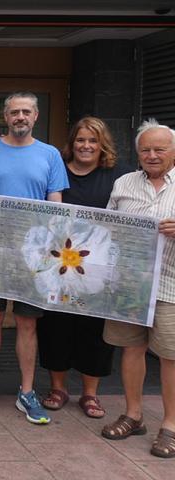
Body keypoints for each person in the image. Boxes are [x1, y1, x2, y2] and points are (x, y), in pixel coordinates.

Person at [0, 91, 69, 425]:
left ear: (36, 116)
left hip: (35, 254)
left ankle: (27, 392)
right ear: (5, 117)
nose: (20, 117)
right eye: (14, 112)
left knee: (27, 322)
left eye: (26, 111)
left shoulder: (50, 155)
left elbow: (56, 205)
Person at [36, 117, 127, 418]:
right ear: (72, 143)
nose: (86, 146)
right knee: (55, 327)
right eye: (80, 140)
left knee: (95, 330)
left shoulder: (116, 178)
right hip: (58, 264)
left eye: (93, 141)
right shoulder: (56, 171)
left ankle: (90, 394)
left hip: (98, 269)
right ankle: (58, 388)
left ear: (103, 146)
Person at [102, 119, 175, 458]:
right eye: (145, 149)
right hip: (129, 284)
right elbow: (105, 228)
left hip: (171, 287)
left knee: (171, 358)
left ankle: (171, 427)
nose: (152, 155)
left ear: (173, 152)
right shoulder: (123, 184)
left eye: (160, 149)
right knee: (131, 349)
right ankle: (133, 415)